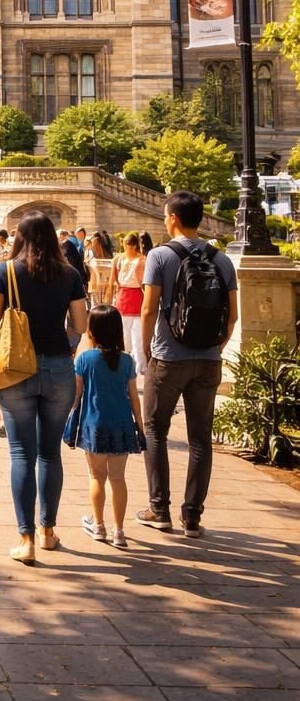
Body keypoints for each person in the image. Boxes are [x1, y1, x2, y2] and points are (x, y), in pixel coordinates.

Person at [0, 212, 87, 564]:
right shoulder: (69, 274)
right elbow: (80, 322)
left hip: (17, 368)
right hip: (58, 368)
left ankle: (26, 540)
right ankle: (48, 531)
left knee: (21, 453)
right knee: (51, 453)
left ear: (20, 237)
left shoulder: (8, 271)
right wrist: (65, 347)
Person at [138, 191, 238, 538]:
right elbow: (233, 317)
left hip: (168, 356)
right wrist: (215, 346)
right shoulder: (222, 260)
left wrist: (149, 350)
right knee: (200, 439)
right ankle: (192, 517)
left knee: (155, 430)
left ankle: (159, 509)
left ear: (174, 219)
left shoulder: (160, 255)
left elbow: (149, 308)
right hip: (209, 359)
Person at [65, 303, 145, 549]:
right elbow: (133, 397)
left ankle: (98, 525)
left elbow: (76, 396)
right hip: (121, 424)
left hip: (94, 425)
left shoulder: (85, 359)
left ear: (92, 331)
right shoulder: (127, 361)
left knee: (96, 476)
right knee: (118, 478)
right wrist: (140, 428)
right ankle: (119, 531)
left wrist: (67, 417)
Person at [105, 232, 146, 383]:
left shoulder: (142, 260)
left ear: (135, 245)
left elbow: (144, 282)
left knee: (138, 335)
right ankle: (122, 363)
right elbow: (112, 280)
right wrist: (109, 298)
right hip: (123, 296)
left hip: (137, 295)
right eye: (126, 244)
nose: (127, 247)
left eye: (130, 244)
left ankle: (140, 366)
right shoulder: (118, 259)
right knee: (123, 334)